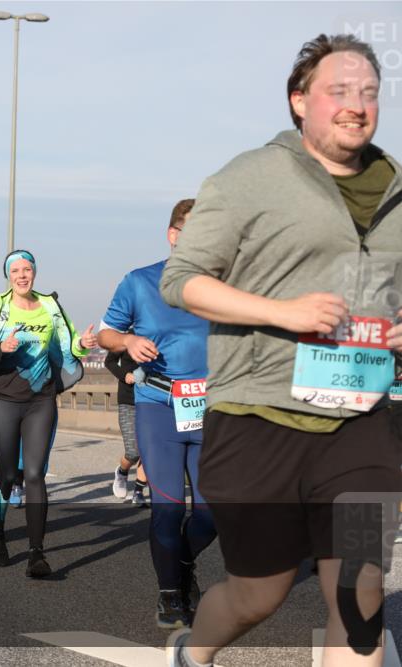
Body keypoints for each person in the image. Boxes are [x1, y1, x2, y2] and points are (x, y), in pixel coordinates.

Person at [160, 35, 402, 667]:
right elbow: (182, 280)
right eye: (338, 91)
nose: (356, 105)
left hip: (359, 424)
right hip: (258, 417)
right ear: (299, 100)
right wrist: (282, 312)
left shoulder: (398, 188)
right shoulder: (249, 178)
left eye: (368, 92)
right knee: (259, 593)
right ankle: (192, 651)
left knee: (359, 593)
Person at [98, 199, 216, 629]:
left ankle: (181, 565)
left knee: (213, 513)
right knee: (167, 508)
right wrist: (128, 342)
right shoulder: (140, 281)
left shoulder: (226, 286)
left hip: (211, 408)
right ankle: (170, 593)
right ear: (174, 235)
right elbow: (107, 333)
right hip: (158, 406)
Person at [0, 249, 97, 577]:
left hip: (41, 400)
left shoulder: (50, 306)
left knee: (35, 474)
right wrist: (0, 348)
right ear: (8, 276)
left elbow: (68, 347)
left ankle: (37, 553)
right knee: (8, 474)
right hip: (3, 399)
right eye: (16, 271)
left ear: (34, 272)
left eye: (27, 270)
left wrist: (83, 344)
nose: (22, 275)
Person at [105, 349, 150, 506]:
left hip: (152, 400)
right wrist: (125, 375)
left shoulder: (158, 337)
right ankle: (122, 472)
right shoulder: (124, 338)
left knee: (148, 449)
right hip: (128, 400)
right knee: (133, 452)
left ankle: (138, 492)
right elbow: (109, 361)